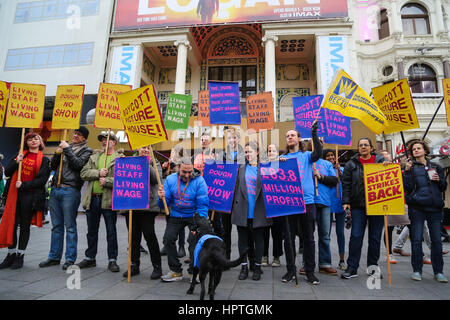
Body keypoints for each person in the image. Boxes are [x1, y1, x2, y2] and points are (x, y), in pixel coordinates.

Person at [39, 127, 93, 270]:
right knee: (56, 226)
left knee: (70, 226)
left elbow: (78, 165)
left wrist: (67, 149)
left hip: (70, 189)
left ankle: (70, 258)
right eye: (75, 133)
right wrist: (57, 153)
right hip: (56, 189)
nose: (75, 136)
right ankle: (54, 256)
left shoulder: (87, 151)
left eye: (79, 134)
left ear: (84, 138)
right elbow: (53, 166)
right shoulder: (64, 146)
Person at [0, 133, 50, 269]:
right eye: (29, 139)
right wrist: (17, 161)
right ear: (26, 142)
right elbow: (7, 173)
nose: (33, 141)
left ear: (40, 142)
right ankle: (10, 255)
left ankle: (20, 256)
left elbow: (41, 180)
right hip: (14, 196)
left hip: (30, 197)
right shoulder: (21, 155)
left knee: (25, 226)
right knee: (12, 224)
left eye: (36, 139)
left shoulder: (44, 160)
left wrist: (24, 185)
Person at [280, 121, 322, 285]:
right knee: (288, 238)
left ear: (298, 139)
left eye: (292, 135)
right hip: (289, 203)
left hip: (307, 201)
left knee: (309, 239)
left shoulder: (307, 156)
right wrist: (276, 163)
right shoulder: (282, 158)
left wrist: (314, 134)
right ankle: (290, 270)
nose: (289, 137)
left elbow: (318, 152)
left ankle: (310, 271)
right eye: (287, 136)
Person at [341, 138, 388, 279]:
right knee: (356, 236)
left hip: (377, 205)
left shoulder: (381, 161)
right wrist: (346, 201)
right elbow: (346, 183)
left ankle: (373, 268)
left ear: (371, 148)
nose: (363, 147)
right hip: (357, 205)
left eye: (365, 145)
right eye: (360, 145)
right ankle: (352, 268)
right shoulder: (351, 164)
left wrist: (388, 167)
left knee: (375, 238)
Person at [77, 132, 124, 272]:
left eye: (108, 139)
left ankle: (112, 260)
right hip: (93, 198)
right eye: (102, 140)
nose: (104, 142)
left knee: (111, 231)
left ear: (114, 142)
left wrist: (108, 181)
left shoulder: (120, 159)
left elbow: (123, 180)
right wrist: (98, 173)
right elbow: (83, 174)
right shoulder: (94, 157)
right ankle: (90, 258)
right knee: (91, 231)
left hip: (109, 199)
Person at [158, 157, 209, 282]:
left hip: (193, 215)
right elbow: (164, 205)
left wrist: (199, 225)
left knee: (194, 241)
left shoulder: (199, 181)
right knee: (168, 239)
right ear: (178, 168)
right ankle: (176, 271)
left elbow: (202, 205)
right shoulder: (170, 179)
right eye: (184, 172)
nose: (187, 175)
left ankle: (194, 272)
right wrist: (161, 198)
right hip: (176, 215)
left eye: (189, 172)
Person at [403, 140, 448, 283]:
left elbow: (442, 187)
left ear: (425, 151)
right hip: (417, 208)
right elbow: (407, 187)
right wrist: (408, 172)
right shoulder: (410, 167)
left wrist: (439, 179)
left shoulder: (436, 166)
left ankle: (438, 271)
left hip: (434, 207)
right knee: (416, 240)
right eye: (413, 149)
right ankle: (417, 270)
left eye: (418, 148)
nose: (416, 150)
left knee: (436, 241)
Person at [232, 142, 272, 281]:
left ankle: (257, 266)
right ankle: (244, 267)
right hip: (242, 209)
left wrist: (281, 161)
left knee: (258, 240)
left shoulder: (266, 168)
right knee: (242, 240)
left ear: (257, 152)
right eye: (246, 152)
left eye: (250, 152)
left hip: (259, 211)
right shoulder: (240, 168)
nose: (248, 155)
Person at [123, 146, 163, 280]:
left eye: (148, 148)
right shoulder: (129, 161)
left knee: (149, 236)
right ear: (137, 148)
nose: (146, 150)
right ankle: (134, 265)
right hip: (131, 205)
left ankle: (157, 266)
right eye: (143, 147)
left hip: (148, 207)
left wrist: (144, 162)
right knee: (133, 238)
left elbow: (155, 178)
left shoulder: (154, 162)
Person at [218, 127, 245, 261]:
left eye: (234, 137)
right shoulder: (221, 155)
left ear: (238, 139)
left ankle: (245, 260)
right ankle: (226, 257)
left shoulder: (245, 154)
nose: (232, 140)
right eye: (229, 138)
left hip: (241, 196)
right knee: (225, 230)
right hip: (226, 197)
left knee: (243, 230)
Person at [312, 145, 338, 275]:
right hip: (309, 202)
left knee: (325, 236)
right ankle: (308, 264)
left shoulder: (327, 164)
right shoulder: (307, 161)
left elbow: (334, 180)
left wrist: (320, 177)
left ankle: (325, 263)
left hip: (324, 202)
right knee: (308, 236)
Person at [161, 144, 186, 259]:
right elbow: (164, 178)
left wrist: (175, 166)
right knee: (169, 222)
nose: (172, 155)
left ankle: (181, 246)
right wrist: (165, 168)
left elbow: (183, 177)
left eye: (174, 152)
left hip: (180, 196)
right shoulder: (170, 164)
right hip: (170, 197)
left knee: (180, 224)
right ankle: (168, 245)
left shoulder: (184, 163)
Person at [324, 149, 346, 270]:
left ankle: (342, 259)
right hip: (327, 203)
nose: (331, 157)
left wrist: (339, 170)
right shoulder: (324, 168)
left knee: (340, 232)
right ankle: (326, 261)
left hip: (340, 203)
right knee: (326, 233)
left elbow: (346, 181)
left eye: (332, 155)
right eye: (328, 156)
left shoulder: (341, 169)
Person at [261, 144, 283, 268]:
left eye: (274, 150)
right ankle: (264, 255)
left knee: (277, 233)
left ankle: (276, 256)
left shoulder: (282, 164)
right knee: (264, 232)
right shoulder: (262, 166)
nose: (271, 152)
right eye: (269, 150)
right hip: (264, 205)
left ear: (278, 153)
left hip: (278, 205)